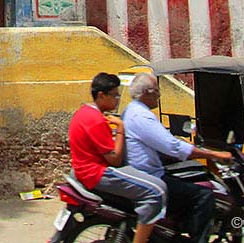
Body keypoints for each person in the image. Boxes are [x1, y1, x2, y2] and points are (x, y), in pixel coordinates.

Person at [123, 72, 233, 243]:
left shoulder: (130, 110)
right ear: (146, 93)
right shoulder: (142, 116)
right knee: (204, 196)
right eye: (156, 91)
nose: (159, 96)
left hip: (142, 173)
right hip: (150, 176)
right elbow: (173, 147)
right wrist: (214, 154)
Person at [68, 73, 167, 243]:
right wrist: (121, 128)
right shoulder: (96, 120)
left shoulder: (83, 113)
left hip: (85, 170)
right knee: (157, 191)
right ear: (101, 95)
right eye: (114, 95)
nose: (117, 99)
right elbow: (115, 159)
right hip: (97, 173)